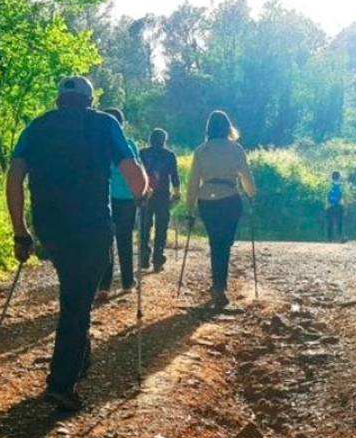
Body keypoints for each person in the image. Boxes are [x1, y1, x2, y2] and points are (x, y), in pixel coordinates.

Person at [6, 76, 149, 412]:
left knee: (75, 291)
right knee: (75, 301)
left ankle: (79, 361)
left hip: (49, 224)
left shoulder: (37, 126)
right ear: (90, 100)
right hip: (91, 223)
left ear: (59, 100)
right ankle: (61, 382)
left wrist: (20, 231)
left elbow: (14, 176)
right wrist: (143, 193)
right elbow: (135, 177)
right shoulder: (105, 124)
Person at [185, 110, 256, 308]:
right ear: (227, 127)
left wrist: (189, 207)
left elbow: (193, 182)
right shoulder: (236, 149)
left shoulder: (201, 150)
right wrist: (251, 195)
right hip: (230, 198)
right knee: (225, 242)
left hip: (207, 199)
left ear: (208, 128)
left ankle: (218, 284)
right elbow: (246, 176)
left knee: (216, 241)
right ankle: (219, 285)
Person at [96, 108, 141, 302]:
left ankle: (103, 286)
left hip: (105, 197)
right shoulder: (128, 144)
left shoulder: (96, 144)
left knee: (105, 240)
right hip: (127, 198)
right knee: (125, 240)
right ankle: (127, 281)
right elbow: (135, 167)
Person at [139, 127, 180, 272]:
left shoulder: (142, 153)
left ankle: (143, 257)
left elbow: (138, 173)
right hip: (162, 196)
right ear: (164, 141)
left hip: (145, 194)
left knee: (144, 225)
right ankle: (158, 259)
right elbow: (174, 176)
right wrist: (177, 194)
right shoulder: (169, 155)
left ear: (151, 139)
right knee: (161, 228)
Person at [326, 170, 344, 242]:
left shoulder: (328, 186)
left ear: (332, 177)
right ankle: (340, 237)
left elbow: (325, 195)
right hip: (339, 205)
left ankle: (329, 238)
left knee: (330, 222)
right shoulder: (342, 186)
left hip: (329, 206)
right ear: (339, 177)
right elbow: (344, 196)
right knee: (340, 222)